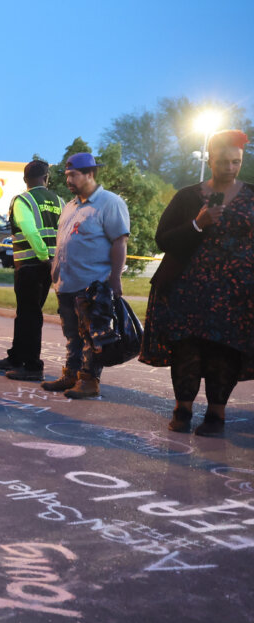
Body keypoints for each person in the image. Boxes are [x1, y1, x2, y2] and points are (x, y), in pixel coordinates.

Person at [140, 129, 251, 437]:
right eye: (223, 162)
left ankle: (216, 416)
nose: (230, 168)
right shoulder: (188, 196)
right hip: (187, 289)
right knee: (187, 349)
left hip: (235, 294)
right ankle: (183, 409)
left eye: (236, 162)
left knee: (224, 352)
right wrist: (197, 224)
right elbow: (163, 239)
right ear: (210, 159)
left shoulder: (252, 196)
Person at [41, 152, 130, 400]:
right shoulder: (71, 205)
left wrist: (115, 278)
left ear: (90, 174)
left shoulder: (109, 203)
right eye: (67, 175)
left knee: (93, 337)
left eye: (73, 175)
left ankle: (89, 380)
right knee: (72, 335)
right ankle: (71, 374)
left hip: (92, 284)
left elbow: (119, 241)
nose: (68, 180)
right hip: (66, 283)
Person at [0, 160, 63, 381]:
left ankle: (32, 366)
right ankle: (16, 357)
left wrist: (43, 256)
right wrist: (52, 260)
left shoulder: (23, 200)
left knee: (29, 315)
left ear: (25, 180)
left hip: (31, 264)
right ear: (46, 177)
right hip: (51, 266)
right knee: (26, 313)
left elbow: (31, 231)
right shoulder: (59, 201)